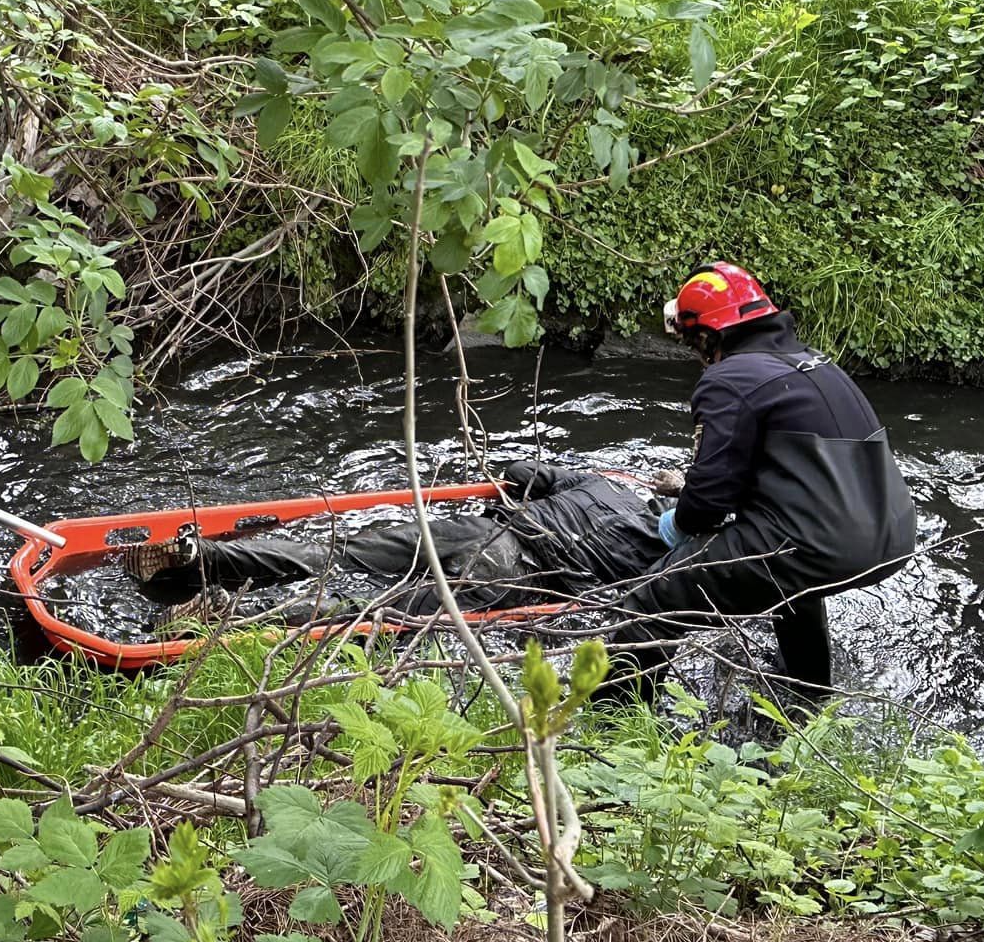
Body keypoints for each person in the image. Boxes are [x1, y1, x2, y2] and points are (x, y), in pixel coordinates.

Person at [601, 262, 917, 704]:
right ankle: (808, 701)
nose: (697, 354)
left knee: (653, 600)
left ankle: (611, 731)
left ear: (710, 337)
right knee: (791, 584)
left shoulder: (729, 379)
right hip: (893, 536)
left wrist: (681, 521)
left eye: (694, 342)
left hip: (822, 542)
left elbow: (710, 501)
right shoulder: (818, 365)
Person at [123, 458, 681, 616]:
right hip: (514, 575)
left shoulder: (605, 484)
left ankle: (206, 557)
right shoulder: (661, 554)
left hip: (484, 529)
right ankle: (233, 618)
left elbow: (517, 472)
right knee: (369, 608)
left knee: (338, 551)